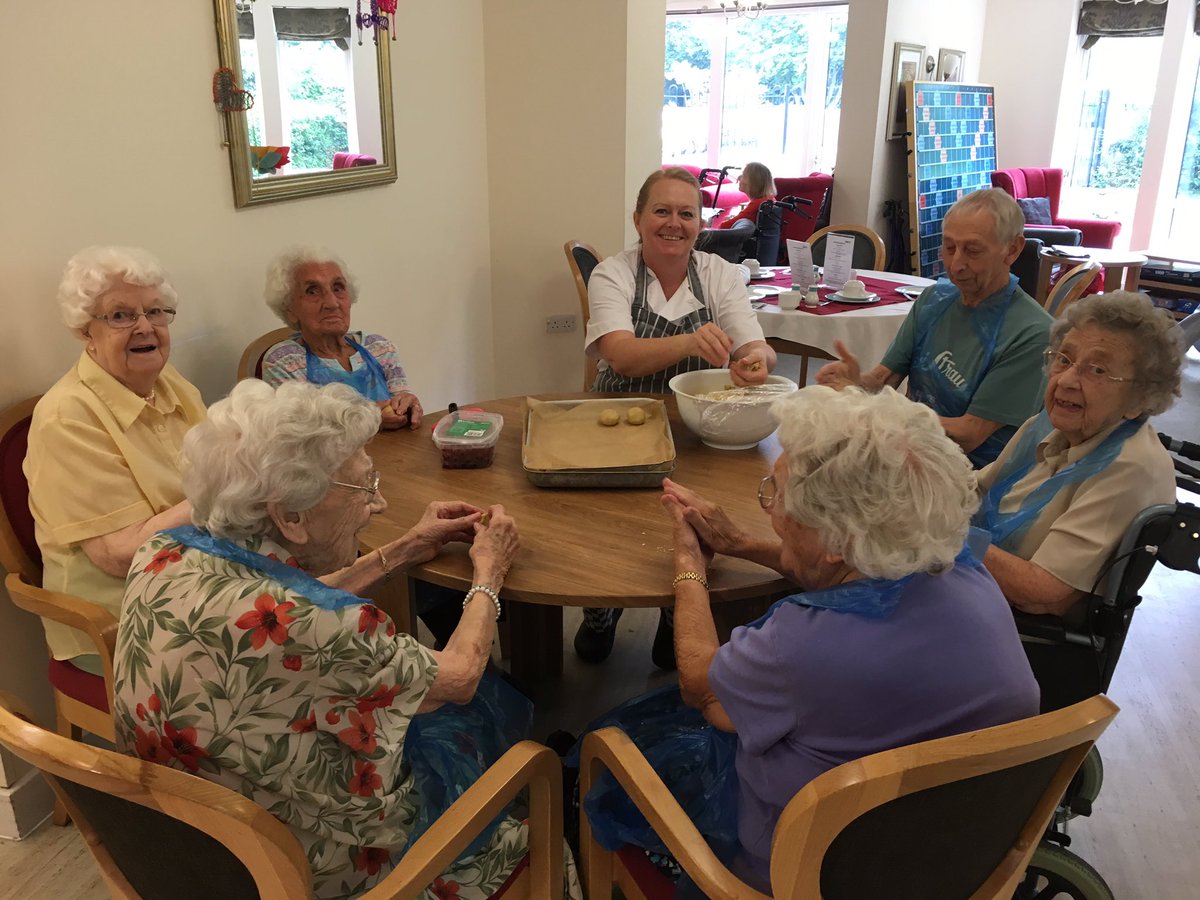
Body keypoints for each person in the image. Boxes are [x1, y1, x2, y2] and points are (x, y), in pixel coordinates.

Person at [112, 380, 581, 899]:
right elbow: (460, 675)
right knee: (492, 727)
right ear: (289, 516)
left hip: (195, 846)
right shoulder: (330, 627)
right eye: (363, 488)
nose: (377, 503)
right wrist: (489, 574)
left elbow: (285, 601)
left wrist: (404, 549)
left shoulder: (164, 554)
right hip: (323, 870)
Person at [576, 386, 1039, 896]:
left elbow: (700, 686)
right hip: (943, 858)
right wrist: (741, 545)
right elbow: (850, 574)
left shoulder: (799, 646)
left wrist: (688, 567)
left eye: (776, 496)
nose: (769, 510)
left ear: (835, 540)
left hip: (804, 873)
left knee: (606, 751)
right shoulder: (969, 576)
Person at [578, 166, 778, 669]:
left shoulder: (718, 274)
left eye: (686, 213)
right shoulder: (613, 273)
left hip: (698, 429)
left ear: (700, 221)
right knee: (611, 529)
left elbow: (756, 344)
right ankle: (601, 609)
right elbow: (620, 355)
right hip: (622, 421)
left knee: (691, 525)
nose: (674, 223)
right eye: (661, 211)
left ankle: (675, 619)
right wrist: (691, 341)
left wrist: (756, 361)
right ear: (638, 219)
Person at [25, 246, 206, 675]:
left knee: (329, 615)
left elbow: (224, 457)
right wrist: (227, 494)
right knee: (294, 650)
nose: (145, 327)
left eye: (156, 312)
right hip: (121, 620)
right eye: (121, 316)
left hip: (197, 584)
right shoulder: (65, 417)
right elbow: (123, 555)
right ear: (86, 330)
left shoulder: (169, 383)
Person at [976, 291, 1182, 621]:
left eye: (1098, 370)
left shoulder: (1131, 467)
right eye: (1064, 359)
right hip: (982, 591)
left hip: (1021, 632)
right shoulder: (1045, 425)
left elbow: (1044, 592)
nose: (1067, 380)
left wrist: (951, 538)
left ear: (1141, 398)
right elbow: (978, 489)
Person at [817, 188, 1052, 468]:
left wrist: (888, 413)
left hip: (973, 474)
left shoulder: (1032, 332)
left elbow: (969, 434)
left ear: (1012, 249)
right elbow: (883, 379)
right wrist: (857, 383)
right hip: (911, 449)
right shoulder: (934, 300)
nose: (956, 264)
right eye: (949, 247)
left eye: (973, 250)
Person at [261, 246, 423, 431]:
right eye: (312, 291)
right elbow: (299, 431)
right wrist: (367, 417)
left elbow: (401, 402)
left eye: (338, 288)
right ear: (289, 308)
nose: (332, 303)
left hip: (396, 457)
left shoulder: (378, 347)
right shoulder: (285, 360)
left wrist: (407, 405)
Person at [718, 162, 776, 231]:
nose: (739, 178)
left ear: (755, 182)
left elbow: (723, 227)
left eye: (743, 176)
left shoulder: (757, 204)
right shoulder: (769, 199)